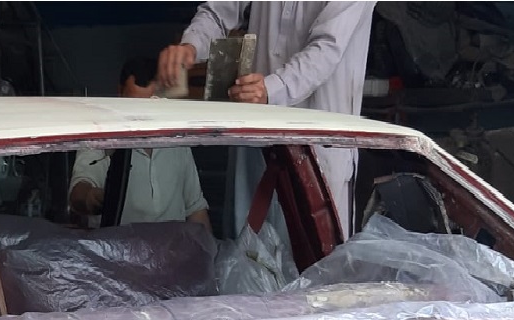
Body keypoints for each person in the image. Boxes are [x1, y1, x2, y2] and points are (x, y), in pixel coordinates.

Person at [158, 2, 375, 237]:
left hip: (318, 143)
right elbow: (218, 11)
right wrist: (191, 45)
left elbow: (326, 48)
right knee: (247, 247)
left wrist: (271, 89)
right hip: (257, 137)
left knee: (313, 248)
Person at [69, 57, 210, 227]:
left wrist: (208, 243)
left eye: (149, 107)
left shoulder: (177, 141)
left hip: (171, 244)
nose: (141, 116)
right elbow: (79, 192)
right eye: (133, 105)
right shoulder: (100, 138)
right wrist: (91, 198)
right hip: (116, 243)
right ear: (120, 93)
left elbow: (195, 208)